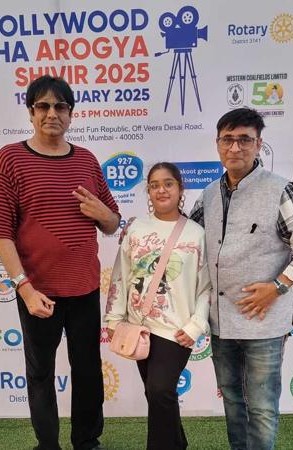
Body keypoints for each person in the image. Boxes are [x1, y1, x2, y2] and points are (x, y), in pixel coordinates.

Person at [0, 75, 120, 450]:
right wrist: (24, 288)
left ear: (71, 114)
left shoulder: (86, 160)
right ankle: (48, 444)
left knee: (88, 370)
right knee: (40, 372)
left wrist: (103, 213)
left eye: (60, 106)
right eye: (42, 106)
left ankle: (87, 441)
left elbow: (112, 223)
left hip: (85, 287)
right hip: (37, 291)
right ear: (31, 112)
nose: (51, 113)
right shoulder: (11, 158)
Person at [190, 107, 293, 450]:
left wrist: (277, 287)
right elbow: (188, 244)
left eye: (244, 140)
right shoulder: (208, 195)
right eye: (227, 139)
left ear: (258, 144)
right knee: (233, 400)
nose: (235, 148)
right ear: (218, 144)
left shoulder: (280, 190)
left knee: (262, 407)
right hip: (221, 324)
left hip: (264, 323)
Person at [105, 162, 210, 450]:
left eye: (168, 184)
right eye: (154, 185)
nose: (161, 190)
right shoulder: (136, 228)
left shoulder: (197, 234)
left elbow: (206, 287)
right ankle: (178, 443)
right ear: (148, 192)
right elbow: (120, 275)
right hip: (139, 327)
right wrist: (113, 318)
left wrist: (196, 325)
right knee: (157, 395)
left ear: (180, 189)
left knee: (160, 389)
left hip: (176, 329)